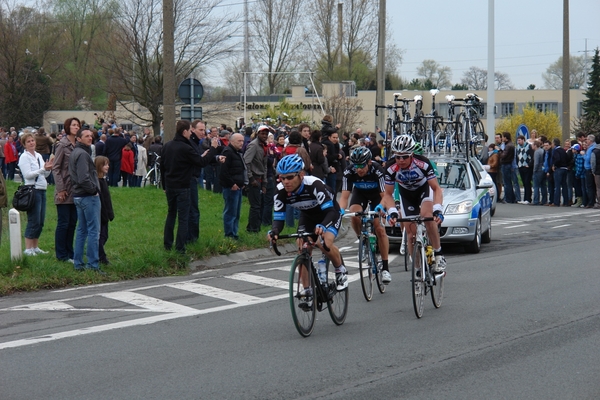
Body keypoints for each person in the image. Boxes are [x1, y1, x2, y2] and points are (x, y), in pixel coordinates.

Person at [268, 154, 348, 290]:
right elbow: (278, 219)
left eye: (290, 177)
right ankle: (307, 291)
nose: (285, 181)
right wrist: (274, 231)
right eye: (282, 178)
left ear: (301, 174)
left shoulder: (314, 185)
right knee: (302, 248)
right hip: (308, 216)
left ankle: (340, 270)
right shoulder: (280, 191)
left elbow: (331, 212)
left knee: (323, 243)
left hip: (329, 213)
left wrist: (323, 225)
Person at [380, 135, 446, 273]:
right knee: (410, 234)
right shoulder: (391, 168)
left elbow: (436, 188)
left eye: (404, 157)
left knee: (427, 217)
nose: (401, 160)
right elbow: (388, 194)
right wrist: (392, 211)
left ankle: (439, 254)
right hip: (406, 194)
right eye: (397, 157)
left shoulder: (423, 163)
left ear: (411, 154)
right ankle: (417, 269)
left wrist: (438, 208)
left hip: (423, 190)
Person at [160, 120, 219, 254]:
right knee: (183, 218)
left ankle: (167, 244)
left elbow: (162, 167)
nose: (190, 133)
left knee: (171, 215)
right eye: (189, 131)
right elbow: (201, 162)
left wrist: (164, 185)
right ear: (185, 131)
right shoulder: (186, 148)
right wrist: (213, 148)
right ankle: (180, 248)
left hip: (170, 185)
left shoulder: (167, 146)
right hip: (183, 186)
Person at [339, 147, 391, 283]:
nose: (359, 169)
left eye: (361, 165)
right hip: (360, 193)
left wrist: (382, 208)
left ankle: (385, 268)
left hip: (377, 195)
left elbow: (384, 195)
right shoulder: (349, 171)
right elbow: (344, 197)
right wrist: (340, 211)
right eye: (356, 166)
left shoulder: (378, 170)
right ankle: (361, 240)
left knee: (379, 229)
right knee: (354, 215)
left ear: (368, 162)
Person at [69, 127, 103, 273]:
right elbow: (83, 178)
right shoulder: (82, 154)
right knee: (93, 231)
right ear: (79, 138)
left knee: (82, 230)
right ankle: (92, 264)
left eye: (91, 136)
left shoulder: (75, 152)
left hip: (78, 196)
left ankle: (78, 263)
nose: (90, 138)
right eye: (86, 136)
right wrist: (94, 190)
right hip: (87, 196)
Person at [18, 133, 53, 256]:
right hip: (32, 190)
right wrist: (43, 169)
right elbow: (27, 175)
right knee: (34, 219)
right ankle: (28, 248)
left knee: (41, 220)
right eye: (28, 142)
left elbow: (44, 174)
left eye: (33, 140)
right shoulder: (24, 157)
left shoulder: (38, 155)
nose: (32, 143)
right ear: (24, 144)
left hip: (42, 188)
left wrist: (48, 169)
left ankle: (35, 246)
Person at [53, 117, 80, 263]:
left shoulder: (78, 145)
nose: (76, 127)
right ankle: (61, 254)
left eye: (78, 125)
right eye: (73, 125)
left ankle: (70, 252)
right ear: (68, 127)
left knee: (72, 222)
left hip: (76, 190)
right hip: (64, 190)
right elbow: (56, 168)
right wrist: (60, 189)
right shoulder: (62, 145)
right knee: (63, 222)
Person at [219, 133, 247, 239]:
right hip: (231, 187)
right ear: (232, 141)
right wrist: (232, 184)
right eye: (239, 141)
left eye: (242, 141)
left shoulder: (237, 153)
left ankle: (234, 233)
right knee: (230, 212)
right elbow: (224, 172)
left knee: (236, 212)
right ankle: (229, 234)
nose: (241, 143)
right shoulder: (228, 152)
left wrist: (242, 182)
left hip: (238, 186)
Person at [244, 125, 269, 233]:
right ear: (258, 134)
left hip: (260, 178)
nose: (264, 135)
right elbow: (246, 162)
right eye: (262, 133)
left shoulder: (264, 146)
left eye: (266, 134)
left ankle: (255, 227)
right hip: (254, 179)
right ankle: (253, 229)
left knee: (259, 205)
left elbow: (264, 166)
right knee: (255, 206)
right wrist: (250, 178)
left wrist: (264, 183)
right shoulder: (253, 145)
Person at [94, 156, 114, 264]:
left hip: (105, 212)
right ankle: (101, 257)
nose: (107, 167)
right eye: (105, 165)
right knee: (101, 236)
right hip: (101, 213)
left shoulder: (103, 180)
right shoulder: (98, 182)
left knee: (105, 236)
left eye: (108, 164)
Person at [550, 137, 569, 207]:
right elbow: (567, 158)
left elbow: (557, 159)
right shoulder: (563, 150)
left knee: (557, 186)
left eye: (552, 143)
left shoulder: (556, 151)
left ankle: (556, 202)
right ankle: (566, 202)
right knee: (564, 185)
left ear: (554, 143)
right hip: (565, 168)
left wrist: (554, 165)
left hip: (559, 169)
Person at [499, 132, 517, 204]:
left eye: (503, 137)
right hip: (508, 164)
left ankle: (508, 198)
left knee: (506, 183)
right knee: (508, 182)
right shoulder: (510, 145)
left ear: (506, 138)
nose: (502, 138)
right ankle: (512, 198)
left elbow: (503, 155)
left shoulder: (508, 146)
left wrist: (500, 151)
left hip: (506, 165)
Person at [516, 135, 533, 204]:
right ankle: (525, 198)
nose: (518, 142)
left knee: (527, 182)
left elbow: (532, 156)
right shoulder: (518, 147)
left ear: (523, 140)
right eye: (518, 140)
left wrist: (529, 164)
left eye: (520, 140)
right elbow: (517, 156)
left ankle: (528, 198)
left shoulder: (529, 146)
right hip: (520, 166)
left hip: (527, 167)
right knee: (524, 182)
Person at [531, 140, 547, 206]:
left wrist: (534, 170)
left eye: (532, 145)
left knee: (536, 186)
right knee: (543, 186)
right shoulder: (542, 150)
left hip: (538, 171)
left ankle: (536, 200)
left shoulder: (537, 152)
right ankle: (544, 200)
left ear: (535, 145)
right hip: (543, 170)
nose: (531, 146)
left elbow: (536, 163)